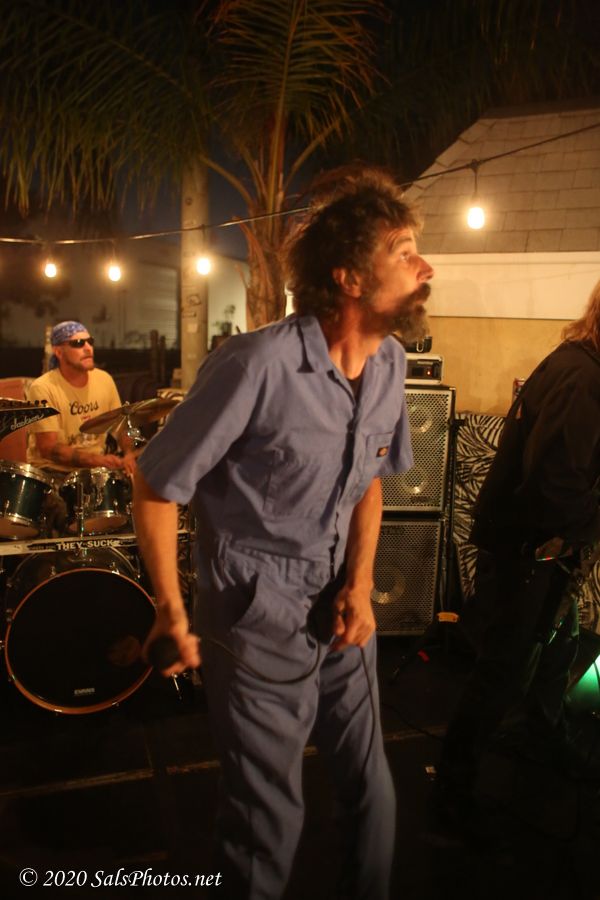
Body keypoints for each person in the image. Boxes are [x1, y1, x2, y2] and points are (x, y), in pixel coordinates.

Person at [132, 167, 433, 899]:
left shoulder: (392, 363)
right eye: (403, 251)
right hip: (255, 615)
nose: (425, 266)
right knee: (266, 822)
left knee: (372, 791)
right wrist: (170, 611)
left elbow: (369, 481)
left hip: (343, 605)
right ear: (348, 278)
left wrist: (361, 585)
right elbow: (156, 482)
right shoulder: (255, 365)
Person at [432, 279, 600, 841]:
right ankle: (451, 794)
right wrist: (588, 524)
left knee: (551, 646)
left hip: (538, 547)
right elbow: (555, 484)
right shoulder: (583, 378)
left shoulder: (578, 364)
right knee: (500, 670)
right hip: (530, 549)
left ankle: (538, 733)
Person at [27, 320, 136, 475]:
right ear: (58, 352)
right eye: (78, 343)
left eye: (90, 341)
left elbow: (121, 425)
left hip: (95, 471)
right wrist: (98, 460)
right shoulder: (43, 388)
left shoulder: (104, 379)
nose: (88, 348)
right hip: (53, 473)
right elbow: (48, 448)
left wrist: (129, 453)